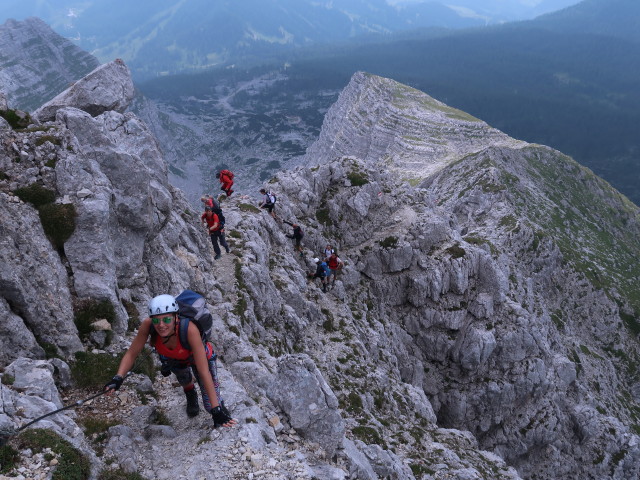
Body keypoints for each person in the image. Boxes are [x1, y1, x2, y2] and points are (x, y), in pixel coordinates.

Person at [104, 294, 236, 427]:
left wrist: (216, 410)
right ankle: (190, 393)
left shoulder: (190, 330)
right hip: (173, 357)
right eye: (156, 321)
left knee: (210, 406)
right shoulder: (148, 325)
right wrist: (118, 377)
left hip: (198, 356)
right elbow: (132, 353)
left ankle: (220, 407)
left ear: (176, 317)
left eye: (166, 319)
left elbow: (203, 372)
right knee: (183, 377)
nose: (161, 325)